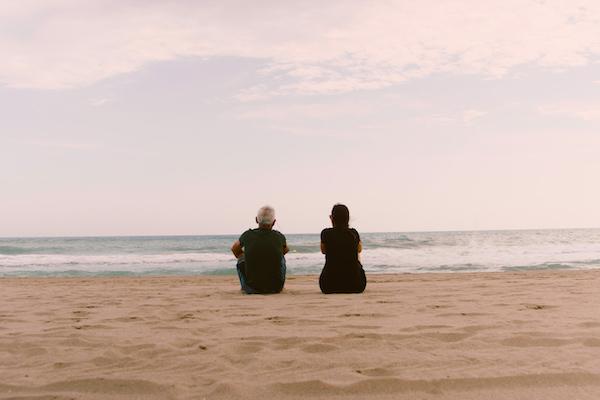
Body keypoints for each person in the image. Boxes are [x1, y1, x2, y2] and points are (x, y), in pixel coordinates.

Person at [231, 206, 289, 294]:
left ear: (256, 220)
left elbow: (234, 249)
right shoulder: (279, 237)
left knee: (241, 259)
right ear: (274, 222)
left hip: (252, 288)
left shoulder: (247, 235)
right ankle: (278, 284)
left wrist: (246, 257)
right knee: (281, 258)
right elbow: (285, 250)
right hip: (275, 288)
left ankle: (245, 286)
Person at [319, 204, 367, 294]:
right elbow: (359, 249)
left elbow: (323, 251)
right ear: (348, 218)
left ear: (332, 217)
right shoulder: (353, 233)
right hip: (356, 285)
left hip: (328, 285)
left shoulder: (326, 233)